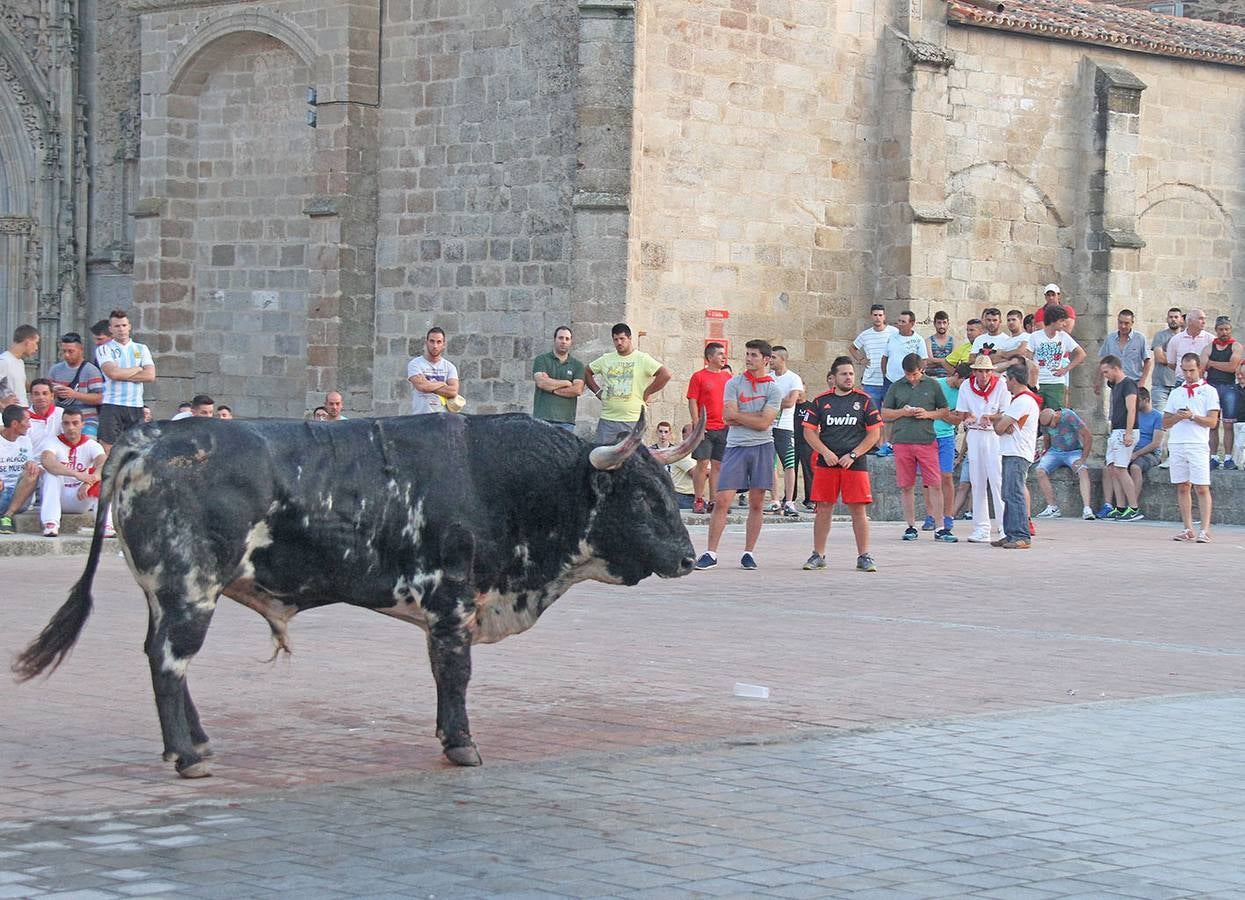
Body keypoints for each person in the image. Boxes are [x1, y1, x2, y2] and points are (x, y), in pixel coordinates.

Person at [695, 340, 782, 571]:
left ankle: (748, 553)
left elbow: (765, 423)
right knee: (722, 499)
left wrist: (742, 417)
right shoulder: (733, 383)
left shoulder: (773, 389)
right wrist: (754, 417)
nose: (748, 358)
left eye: (753, 355)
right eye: (747, 354)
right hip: (735, 446)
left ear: (765, 359)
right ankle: (711, 552)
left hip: (763, 446)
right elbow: (727, 416)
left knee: (756, 501)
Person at [799, 356, 882, 572]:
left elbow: (874, 434)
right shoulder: (820, 401)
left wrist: (853, 455)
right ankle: (818, 554)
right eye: (844, 374)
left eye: (851, 373)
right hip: (827, 464)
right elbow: (808, 432)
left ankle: (864, 556)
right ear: (833, 378)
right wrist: (825, 452)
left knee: (858, 509)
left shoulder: (864, 400)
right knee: (824, 508)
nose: (848, 377)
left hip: (854, 464)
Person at [881, 353, 954, 543]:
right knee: (906, 486)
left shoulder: (933, 385)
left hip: (926, 441)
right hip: (902, 441)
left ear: (921, 370)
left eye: (914, 374)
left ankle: (940, 526)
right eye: (908, 374)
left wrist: (928, 414)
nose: (911, 378)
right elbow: (885, 413)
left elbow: (945, 411)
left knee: (935, 484)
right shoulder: (897, 386)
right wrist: (902, 412)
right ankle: (911, 525)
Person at [952, 355, 1009, 544]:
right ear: (974, 372)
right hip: (975, 434)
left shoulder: (1001, 385)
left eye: (987, 371)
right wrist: (968, 417)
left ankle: (1004, 526)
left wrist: (990, 417)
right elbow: (962, 412)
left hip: (994, 436)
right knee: (977, 481)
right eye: (980, 371)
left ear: (991, 372)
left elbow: (1006, 412)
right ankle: (981, 527)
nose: (984, 375)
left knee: (997, 480)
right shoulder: (966, 386)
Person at [1163, 353, 1219, 543]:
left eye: (1191, 370)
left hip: (1197, 444)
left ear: (1199, 369)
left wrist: (1193, 416)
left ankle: (1205, 529)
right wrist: (1178, 417)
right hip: (1177, 443)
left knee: (1202, 487)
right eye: (1185, 370)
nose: (1188, 375)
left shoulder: (1209, 391)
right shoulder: (1176, 392)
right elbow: (1165, 421)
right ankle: (1188, 528)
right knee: (1182, 486)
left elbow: (1212, 422)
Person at [586, 323, 671, 444]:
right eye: (616, 339)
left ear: (630, 338)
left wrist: (647, 392)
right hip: (607, 419)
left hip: (633, 420)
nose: (619, 342)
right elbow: (587, 371)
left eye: (622, 338)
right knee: (601, 456)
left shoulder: (642, 359)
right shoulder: (606, 359)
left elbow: (665, 375)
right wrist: (598, 392)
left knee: (633, 459)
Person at [993, 364, 1041, 549]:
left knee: (1014, 493)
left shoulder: (1023, 401)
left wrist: (1003, 424)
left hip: (1017, 452)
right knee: (1008, 493)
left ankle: (1021, 535)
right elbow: (1004, 425)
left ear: (1013, 379)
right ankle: (1011, 533)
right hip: (1013, 450)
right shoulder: (1021, 400)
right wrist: (1004, 424)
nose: (1006, 383)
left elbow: (999, 428)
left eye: (1007, 379)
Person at [38, 410, 106, 538]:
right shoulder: (52, 442)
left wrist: (89, 481)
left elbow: (104, 464)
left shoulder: (91, 444)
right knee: (51, 475)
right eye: (67, 423)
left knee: (102, 479)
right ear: (62, 425)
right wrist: (77, 474)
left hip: (81, 496)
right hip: (59, 496)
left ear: (82, 424)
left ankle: (106, 525)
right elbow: (47, 461)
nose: (71, 427)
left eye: (75, 423)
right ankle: (51, 523)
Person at [96, 309, 156, 451]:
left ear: (129, 326)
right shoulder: (104, 349)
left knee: (137, 448)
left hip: (135, 405)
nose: (121, 329)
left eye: (124, 325)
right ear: (111, 329)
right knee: (109, 448)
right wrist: (137, 368)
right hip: (112, 404)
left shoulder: (141, 349)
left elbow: (150, 376)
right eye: (117, 326)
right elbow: (113, 374)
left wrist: (122, 373)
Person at [686, 342, 732, 513]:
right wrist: (696, 421)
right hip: (705, 428)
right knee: (702, 463)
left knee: (718, 465)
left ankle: (714, 500)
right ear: (710, 357)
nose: (723, 357)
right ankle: (699, 499)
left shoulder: (728, 378)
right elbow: (692, 399)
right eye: (720, 354)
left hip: (723, 427)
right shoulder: (698, 376)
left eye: (724, 354)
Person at [849, 304, 897, 455]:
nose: (878, 318)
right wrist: (860, 360)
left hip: (889, 379)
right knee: (873, 414)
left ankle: (888, 444)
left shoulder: (893, 332)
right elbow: (852, 348)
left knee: (889, 413)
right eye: (875, 315)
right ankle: (876, 444)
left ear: (885, 316)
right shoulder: (866, 335)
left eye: (880, 315)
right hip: (871, 380)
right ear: (871, 316)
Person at [1034, 406, 1095, 521]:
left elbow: (1087, 436)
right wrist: (1046, 455)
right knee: (1040, 470)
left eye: (1051, 424)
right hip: (1055, 451)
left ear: (1055, 416)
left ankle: (1087, 508)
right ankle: (1052, 507)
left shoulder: (1069, 416)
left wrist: (1083, 458)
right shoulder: (1045, 423)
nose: (1050, 427)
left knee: (1082, 470)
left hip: (1073, 451)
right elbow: (1047, 439)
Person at [1099, 355, 1142, 520]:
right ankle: (1120, 506)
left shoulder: (1128, 384)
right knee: (1113, 469)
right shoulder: (1115, 385)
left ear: (1116, 368)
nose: (1105, 375)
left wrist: (1129, 433)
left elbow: (1131, 409)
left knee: (1121, 469)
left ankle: (1133, 507)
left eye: (1106, 372)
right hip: (1116, 430)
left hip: (1125, 430)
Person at [928, 363, 968, 536]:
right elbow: (928, 411)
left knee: (947, 476)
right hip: (928, 435)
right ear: (957, 376)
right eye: (964, 381)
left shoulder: (963, 393)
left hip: (947, 437)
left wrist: (941, 413)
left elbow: (957, 420)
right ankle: (931, 515)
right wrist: (946, 413)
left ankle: (948, 515)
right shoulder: (936, 384)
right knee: (929, 479)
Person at [767, 345, 804, 518]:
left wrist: (772, 402)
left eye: (773, 357)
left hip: (785, 427)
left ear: (782, 359)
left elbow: (791, 402)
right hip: (768, 427)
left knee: (789, 464)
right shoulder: (767, 378)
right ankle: (774, 500)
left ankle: (789, 501)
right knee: (771, 464)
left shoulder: (793, 378)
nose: (770, 360)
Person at [1200, 316, 1241, 470]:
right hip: (1211, 388)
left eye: (1227, 329)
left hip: (1229, 387)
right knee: (1213, 425)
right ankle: (1214, 457)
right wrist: (1210, 364)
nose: (1224, 332)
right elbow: (1201, 367)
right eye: (1221, 329)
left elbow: (1232, 367)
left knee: (1229, 424)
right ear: (1216, 330)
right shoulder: (1209, 347)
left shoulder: (1236, 346)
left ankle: (1229, 458)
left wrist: (1211, 363)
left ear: (1230, 329)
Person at [48, 331, 105, 438]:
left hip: (86, 419)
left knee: (88, 443)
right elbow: (48, 396)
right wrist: (53, 393)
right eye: (64, 351)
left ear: (81, 350)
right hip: (61, 418)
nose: (66, 355)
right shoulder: (55, 370)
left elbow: (100, 398)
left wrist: (74, 394)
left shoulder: (91, 371)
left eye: (71, 351)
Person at [1028, 305, 1083, 410]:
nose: (1065, 324)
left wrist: (1066, 369)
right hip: (1038, 382)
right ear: (1053, 321)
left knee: (1056, 415)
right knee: (1035, 413)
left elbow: (1081, 354)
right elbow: (1028, 358)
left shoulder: (1064, 337)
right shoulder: (1035, 336)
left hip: (1056, 383)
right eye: (1062, 320)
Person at [531, 325, 585, 431]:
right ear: (554, 339)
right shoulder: (541, 360)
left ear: (571, 342)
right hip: (542, 419)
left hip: (566, 422)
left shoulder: (577, 365)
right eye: (560, 338)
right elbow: (541, 383)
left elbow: (577, 390)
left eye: (567, 339)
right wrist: (567, 382)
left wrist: (551, 387)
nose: (563, 341)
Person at [0, 405, 39, 534]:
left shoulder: (25, 440)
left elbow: (29, 462)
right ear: (15, 424)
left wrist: (31, 463)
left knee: (33, 471)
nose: (29, 425)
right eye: (27, 421)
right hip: (1, 492)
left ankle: (7, 516)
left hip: (20, 497)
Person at [1126, 387, 1164, 517]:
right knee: (1112, 467)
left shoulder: (1157, 416)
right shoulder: (1133, 414)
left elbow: (1156, 443)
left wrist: (1136, 454)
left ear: (1146, 400)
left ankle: (1132, 505)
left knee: (1136, 467)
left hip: (1149, 453)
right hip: (1131, 450)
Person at [1096, 309, 1152, 396]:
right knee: (1116, 409)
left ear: (1132, 323)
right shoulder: (1110, 338)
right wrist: (1098, 381)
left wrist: (1142, 382)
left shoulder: (1140, 338)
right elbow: (1104, 361)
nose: (1123, 326)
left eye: (1126, 323)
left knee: (1132, 409)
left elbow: (1147, 361)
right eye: (1120, 322)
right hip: (1115, 384)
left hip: (1134, 383)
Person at [407, 326, 460, 415]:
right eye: (432, 341)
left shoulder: (450, 367)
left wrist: (428, 384)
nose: (435, 346)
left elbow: (453, 391)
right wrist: (442, 384)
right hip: (420, 417)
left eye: (439, 342)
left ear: (444, 344)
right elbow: (422, 387)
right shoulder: (415, 364)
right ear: (426, 342)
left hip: (443, 418)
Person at [652, 422, 696, 509]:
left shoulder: (675, 450)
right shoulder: (650, 451)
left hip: (671, 487)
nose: (663, 435)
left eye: (665, 432)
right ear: (656, 432)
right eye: (660, 431)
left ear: (670, 433)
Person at [1150, 307, 1184, 414]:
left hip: (1179, 384)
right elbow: (1160, 358)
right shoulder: (1160, 336)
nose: (1173, 319)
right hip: (1160, 384)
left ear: (1181, 319)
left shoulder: (1186, 337)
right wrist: (1179, 359)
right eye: (1170, 317)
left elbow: (1189, 360)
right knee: (1160, 419)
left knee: (1179, 419)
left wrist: (1167, 354)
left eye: (1176, 317)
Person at [1165, 309, 1212, 386]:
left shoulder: (1210, 339)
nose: (1204, 322)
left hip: (1204, 382)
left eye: (1204, 319)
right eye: (1200, 319)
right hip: (1181, 382)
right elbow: (1171, 363)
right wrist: (1186, 372)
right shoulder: (1176, 339)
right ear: (1190, 321)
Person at [0, 324, 39, 407]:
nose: (36, 348)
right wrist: (2, 404)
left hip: (22, 412)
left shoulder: (20, 362)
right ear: (27, 342)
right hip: (10, 414)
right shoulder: (4, 361)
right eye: (36, 343)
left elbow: (19, 386)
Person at [27, 379, 64, 455]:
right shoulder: (24, 418)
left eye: (45, 393)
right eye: (36, 394)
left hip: (57, 461)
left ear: (52, 396)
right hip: (31, 463)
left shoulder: (61, 414)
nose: (41, 397)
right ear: (31, 396)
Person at [925, 310, 955, 377]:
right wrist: (946, 362)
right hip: (932, 377)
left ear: (948, 324)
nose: (942, 326)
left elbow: (954, 361)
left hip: (949, 377)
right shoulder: (928, 341)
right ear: (934, 324)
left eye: (944, 323)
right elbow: (928, 361)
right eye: (939, 323)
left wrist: (936, 361)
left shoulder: (953, 341)